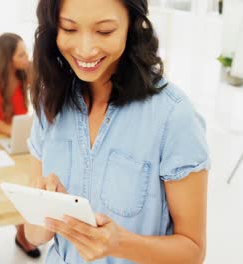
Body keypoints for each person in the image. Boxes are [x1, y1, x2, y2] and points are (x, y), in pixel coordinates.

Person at [24, 0, 210, 264]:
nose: (86, 49)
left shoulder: (173, 116)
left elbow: (193, 251)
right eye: (69, 28)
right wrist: (43, 218)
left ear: (132, 27)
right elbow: (34, 234)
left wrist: (121, 245)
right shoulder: (50, 103)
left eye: (105, 31)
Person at [0, 33, 40, 258]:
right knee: (6, 182)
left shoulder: (26, 70)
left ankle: (23, 232)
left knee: (28, 182)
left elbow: (46, 94)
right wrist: (16, 133)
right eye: (22, 54)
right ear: (8, 57)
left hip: (21, 135)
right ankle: (21, 233)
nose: (27, 58)